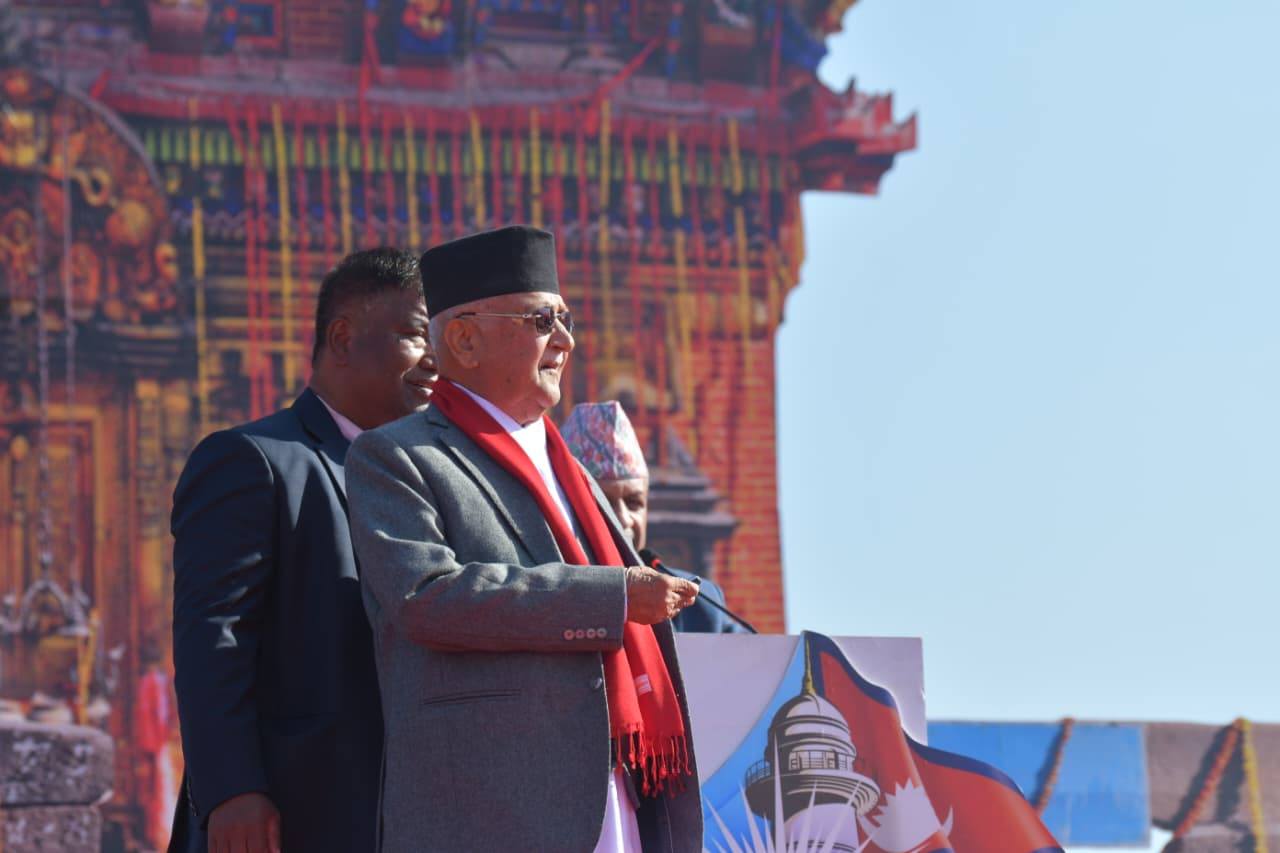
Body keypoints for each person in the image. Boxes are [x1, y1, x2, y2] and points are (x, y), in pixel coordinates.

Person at [346, 225, 704, 853]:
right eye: (542, 321)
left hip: (615, 792)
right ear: (464, 340)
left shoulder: (576, 474)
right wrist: (614, 596)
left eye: (566, 319)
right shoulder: (398, 457)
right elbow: (425, 597)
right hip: (492, 807)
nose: (565, 341)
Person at [168, 248, 436, 853]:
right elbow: (214, 635)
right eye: (417, 335)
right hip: (290, 813)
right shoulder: (254, 460)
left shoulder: (429, 481)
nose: (435, 360)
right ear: (342, 338)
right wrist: (233, 789)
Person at [561, 401, 749, 634]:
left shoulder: (696, 606)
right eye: (604, 504)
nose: (624, 519)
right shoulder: (545, 601)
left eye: (634, 503)